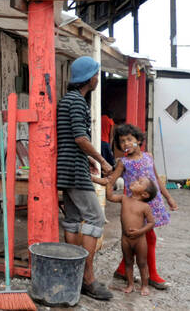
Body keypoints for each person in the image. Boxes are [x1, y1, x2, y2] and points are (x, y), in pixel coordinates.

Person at [56, 56, 114, 301]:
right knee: (95, 217)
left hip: (66, 168)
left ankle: (73, 274)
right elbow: (80, 137)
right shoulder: (78, 102)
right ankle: (87, 278)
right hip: (75, 171)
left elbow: (70, 139)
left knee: (72, 220)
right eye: (97, 74)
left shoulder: (66, 100)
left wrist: (87, 158)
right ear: (90, 78)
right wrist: (101, 160)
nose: (98, 78)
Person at [108, 124, 178, 290]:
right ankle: (152, 276)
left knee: (140, 239)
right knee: (149, 238)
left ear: (138, 140)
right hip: (136, 208)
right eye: (122, 141)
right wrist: (105, 186)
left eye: (129, 139)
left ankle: (121, 270)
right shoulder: (123, 163)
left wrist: (168, 197)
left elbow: (156, 179)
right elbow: (111, 180)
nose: (125, 143)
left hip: (154, 203)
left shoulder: (148, 156)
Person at [106, 176, 157, 296]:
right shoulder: (124, 198)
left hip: (140, 240)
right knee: (128, 262)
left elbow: (151, 223)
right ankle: (130, 285)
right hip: (125, 239)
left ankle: (144, 286)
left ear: (144, 194)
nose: (135, 181)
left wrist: (140, 232)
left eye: (139, 182)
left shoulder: (145, 207)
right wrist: (109, 183)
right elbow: (110, 197)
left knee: (142, 263)